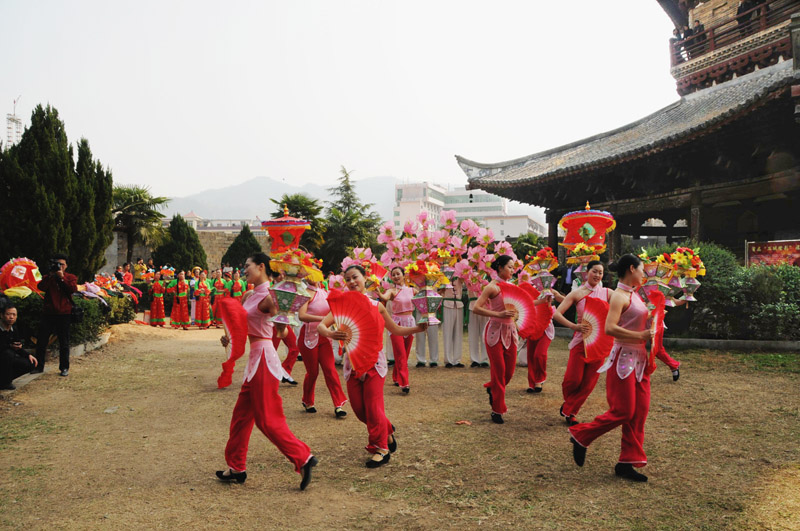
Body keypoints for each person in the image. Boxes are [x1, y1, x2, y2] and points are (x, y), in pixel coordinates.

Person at [216, 253, 317, 489]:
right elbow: (241, 324)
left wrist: (282, 322)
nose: (244, 269)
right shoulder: (250, 295)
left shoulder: (273, 297)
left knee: (266, 418)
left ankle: (303, 457)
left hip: (264, 358)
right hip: (254, 359)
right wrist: (228, 336)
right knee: (241, 417)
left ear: (261, 267)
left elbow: (281, 332)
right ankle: (236, 467)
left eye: (247, 265)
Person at [318, 264, 426, 467]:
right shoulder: (341, 305)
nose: (351, 282)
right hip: (352, 364)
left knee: (374, 408)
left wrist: (418, 328)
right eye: (347, 279)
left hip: (374, 364)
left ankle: (381, 448)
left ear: (365, 278)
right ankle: (388, 431)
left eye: (355, 277)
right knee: (360, 411)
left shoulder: (377, 306)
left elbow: (395, 329)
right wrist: (331, 333)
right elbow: (321, 326)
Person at [569, 254, 655, 483]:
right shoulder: (618, 296)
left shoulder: (634, 294)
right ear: (631, 269)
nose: (644, 273)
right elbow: (609, 328)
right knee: (624, 411)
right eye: (642, 269)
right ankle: (581, 435)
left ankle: (627, 462)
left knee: (639, 413)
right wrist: (641, 335)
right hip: (623, 360)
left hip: (640, 360)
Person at [551, 261, 613, 426]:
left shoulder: (608, 293)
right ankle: (570, 404)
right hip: (580, 342)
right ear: (587, 272)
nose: (597, 275)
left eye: (600, 273)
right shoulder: (577, 293)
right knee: (573, 380)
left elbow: (626, 303)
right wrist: (574, 326)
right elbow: (556, 314)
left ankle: (571, 411)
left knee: (589, 383)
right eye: (594, 271)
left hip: (600, 343)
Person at [471, 255, 521, 424]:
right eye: (509, 267)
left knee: (509, 372)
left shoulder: (513, 287)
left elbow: (525, 304)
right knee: (499, 372)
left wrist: (543, 300)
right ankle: (497, 410)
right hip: (494, 332)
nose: (512, 270)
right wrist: (497, 314)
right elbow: (476, 308)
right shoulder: (492, 287)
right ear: (499, 268)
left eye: (514, 268)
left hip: (511, 331)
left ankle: (492, 388)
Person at [297, 278, 348, 416]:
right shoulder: (304, 293)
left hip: (324, 337)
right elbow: (301, 316)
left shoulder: (325, 293)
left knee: (330, 369)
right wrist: (323, 320)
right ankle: (307, 400)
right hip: (308, 337)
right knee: (313, 372)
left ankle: (338, 404)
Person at [34, 253, 77, 376]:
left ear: (66, 266)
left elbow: (72, 289)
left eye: (62, 264)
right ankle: (39, 366)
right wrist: (51, 276)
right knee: (41, 341)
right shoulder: (49, 277)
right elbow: (41, 287)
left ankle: (64, 368)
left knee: (64, 342)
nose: (59, 266)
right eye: (57, 264)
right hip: (48, 313)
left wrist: (62, 278)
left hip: (64, 313)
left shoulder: (70, 277)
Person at [379, 266, 417, 392]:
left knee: (404, 354)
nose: (395, 276)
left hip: (410, 322)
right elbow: (384, 298)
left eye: (398, 274)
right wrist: (377, 289)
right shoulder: (392, 291)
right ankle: (404, 383)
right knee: (400, 353)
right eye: (393, 275)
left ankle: (396, 376)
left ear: (403, 275)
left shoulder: (413, 290)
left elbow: (425, 296)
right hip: (396, 323)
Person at [525, 290, 564, 394]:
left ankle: (539, 379)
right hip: (532, 326)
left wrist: (577, 299)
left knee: (539, 354)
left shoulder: (550, 290)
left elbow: (564, 300)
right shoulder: (530, 287)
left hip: (546, 327)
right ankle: (532, 384)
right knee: (531, 356)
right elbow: (525, 303)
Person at [269, 268, 301, 384]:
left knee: (295, 348)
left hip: (285, 324)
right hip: (274, 325)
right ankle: (268, 375)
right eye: (279, 276)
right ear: (274, 277)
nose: (281, 277)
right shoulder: (271, 291)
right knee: (271, 352)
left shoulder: (288, 289)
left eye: (283, 275)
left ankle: (285, 371)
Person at [1, 304, 38, 390]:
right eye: (8, 314)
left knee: (30, 363)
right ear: (2, 315)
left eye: (14, 315)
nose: (11, 317)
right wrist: (10, 346)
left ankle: (5, 380)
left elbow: (17, 345)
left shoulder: (14, 329)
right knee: (8, 353)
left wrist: (28, 355)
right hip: (4, 356)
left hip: (9, 358)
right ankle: (5, 382)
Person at [442, 277, 465, 368]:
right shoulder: (443, 272)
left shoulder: (461, 273)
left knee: (458, 333)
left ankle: (457, 359)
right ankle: (448, 360)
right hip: (447, 304)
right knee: (447, 332)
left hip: (459, 304)